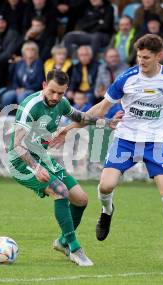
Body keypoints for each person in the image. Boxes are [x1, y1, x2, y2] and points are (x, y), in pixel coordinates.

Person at [56, 34, 163, 266]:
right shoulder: (127, 78)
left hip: (157, 142)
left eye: (146, 57)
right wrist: (71, 127)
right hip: (126, 139)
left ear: (158, 56)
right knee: (105, 186)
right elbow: (101, 108)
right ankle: (107, 210)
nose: (141, 61)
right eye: (139, 56)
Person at [8, 69, 119, 266]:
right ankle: (75, 248)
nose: (55, 97)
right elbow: (17, 145)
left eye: (60, 93)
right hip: (22, 163)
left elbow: (81, 117)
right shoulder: (29, 107)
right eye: (52, 92)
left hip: (42, 158)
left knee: (81, 200)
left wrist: (107, 122)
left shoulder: (62, 103)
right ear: (44, 86)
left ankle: (62, 241)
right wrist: (35, 168)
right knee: (60, 191)